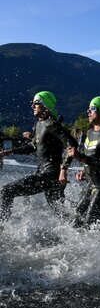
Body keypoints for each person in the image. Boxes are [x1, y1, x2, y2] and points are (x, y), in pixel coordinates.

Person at [0, 91, 77, 223]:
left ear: (45, 105)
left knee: (6, 191)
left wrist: (63, 170)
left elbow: (72, 144)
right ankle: (81, 228)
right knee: (60, 212)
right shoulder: (39, 124)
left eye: (36, 103)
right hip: (44, 172)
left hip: (50, 175)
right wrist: (8, 152)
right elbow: (33, 146)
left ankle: (1, 228)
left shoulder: (52, 124)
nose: (32, 106)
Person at [65, 96, 100, 228]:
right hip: (92, 187)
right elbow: (93, 157)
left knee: (88, 227)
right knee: (74, 223)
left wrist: (82, 158)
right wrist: (84, 170)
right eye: (88, 109)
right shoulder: (89, 132)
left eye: (92, 109)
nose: (88, 111)